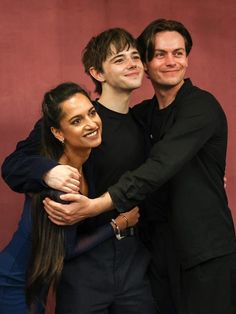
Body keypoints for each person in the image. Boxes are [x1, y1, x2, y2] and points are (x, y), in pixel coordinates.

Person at [42, 19, 236, 314]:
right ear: (147, 64)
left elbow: (159, 166)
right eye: (160, 54)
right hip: (156, 255)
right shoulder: (141, 116)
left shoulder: (202, 107)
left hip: (205, 253)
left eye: (179, 53)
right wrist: (46, 170)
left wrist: (96, 206)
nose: (171, 61)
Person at [2, 29, 157, 313]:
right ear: (97, 73)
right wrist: (49, 171)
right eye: (120, 59)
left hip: (132, 259)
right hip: (77, 267)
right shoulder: (71, 119)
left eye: (136, 56)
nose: (133, 63)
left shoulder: (144, 123)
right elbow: (13, 165)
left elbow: (156, 174)